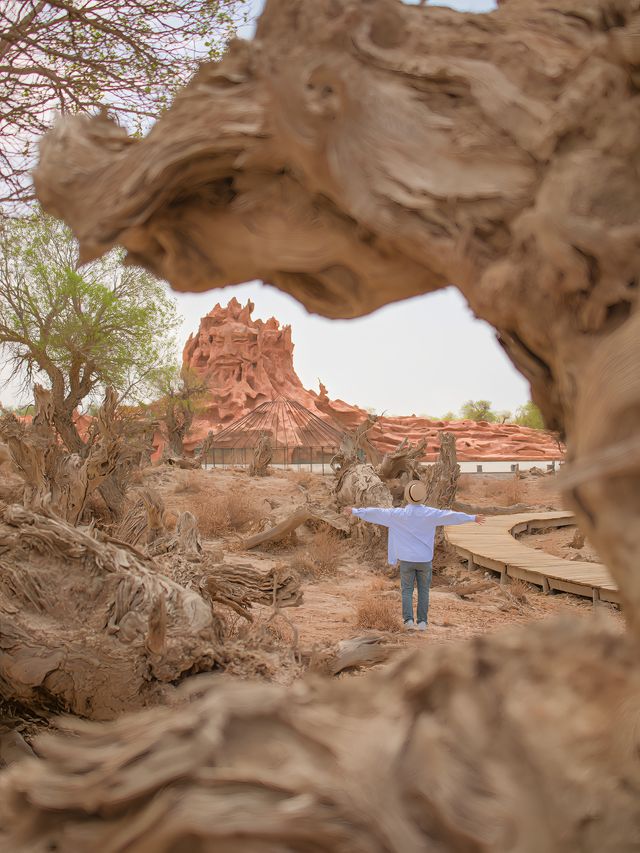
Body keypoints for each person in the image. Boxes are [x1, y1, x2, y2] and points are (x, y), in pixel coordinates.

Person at [343, 481, 485, 631]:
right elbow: (451, 516)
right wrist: (472, 517)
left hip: (407, 560)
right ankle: (422, 623)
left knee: (407, 591)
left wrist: (355, 511)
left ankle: (408, 621)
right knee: (424, 591)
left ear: (408, 497)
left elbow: (377, 513)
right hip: (424, 560)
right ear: (422, 497)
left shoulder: (398, 514)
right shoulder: (431, 513)